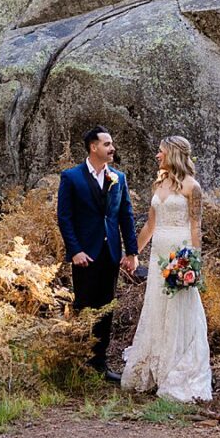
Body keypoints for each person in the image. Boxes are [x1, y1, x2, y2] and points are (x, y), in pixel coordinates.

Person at [121, 135, 212, 402]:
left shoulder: (191, 187)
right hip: (158, 254)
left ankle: (177, 370)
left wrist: (193, 261)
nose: (157, 156)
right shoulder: (159, 184)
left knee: (178, 310)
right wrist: (132, 252)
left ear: (173, 154)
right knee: (157, 307)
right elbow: (150, 225)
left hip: (179, 255)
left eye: (161, 152)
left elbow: (196, 226)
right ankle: (155, 370)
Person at [56, 126, 138, 380]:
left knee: (106, 309)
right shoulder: (71, 177)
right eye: (107, 144)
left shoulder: (118, 178)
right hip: (85, 255)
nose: (112, 148)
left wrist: (132, 252)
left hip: (110, 254)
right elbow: (65, 218)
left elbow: (126, 216)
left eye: (111, 144)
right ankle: (79, 361)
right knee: (83, 306)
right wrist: (75, 251)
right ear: (93, 147)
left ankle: (100, 365)